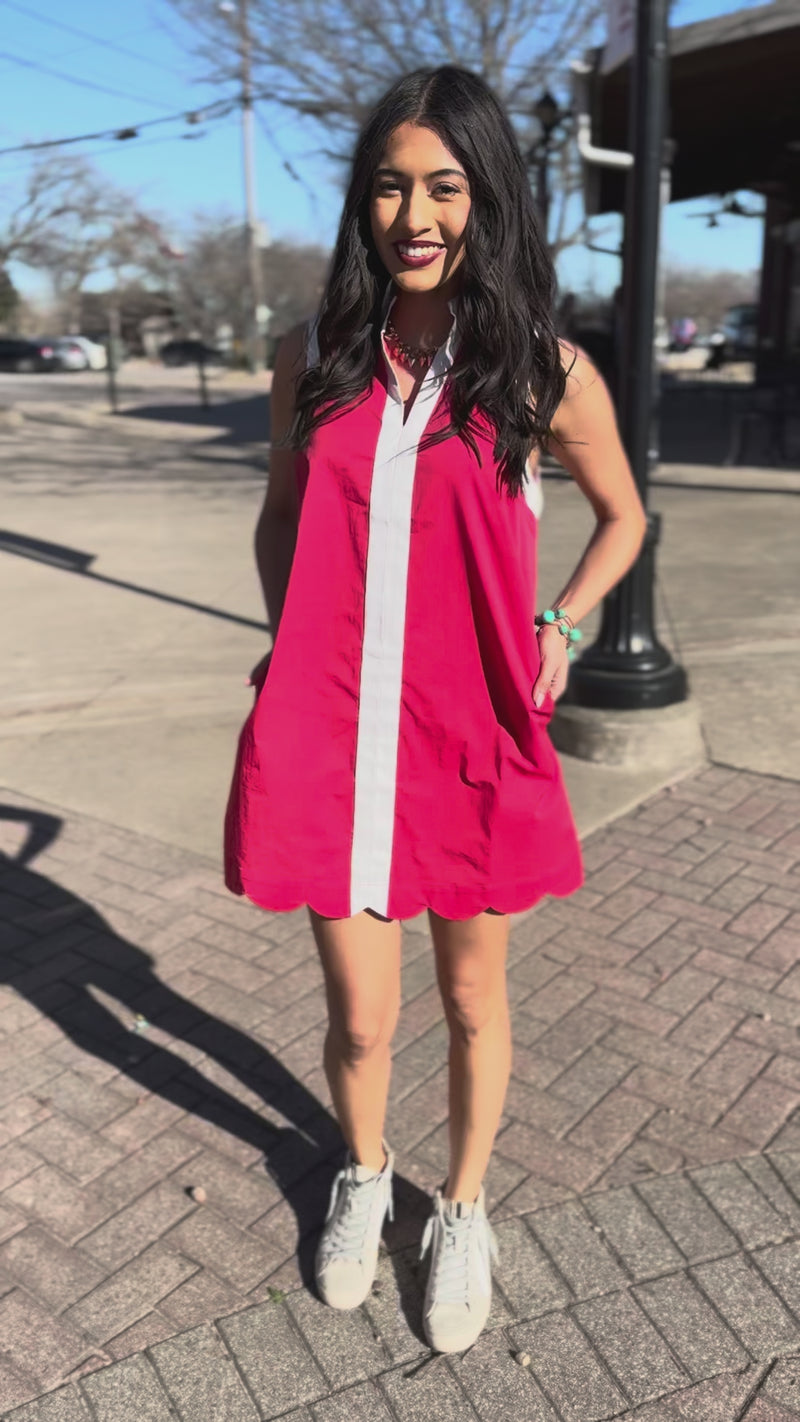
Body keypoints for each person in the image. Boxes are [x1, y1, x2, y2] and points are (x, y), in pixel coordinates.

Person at [224, 66, 646, 1355]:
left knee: (472, 999)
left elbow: (625, 517)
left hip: (471, 734)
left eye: (444, 186)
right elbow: (282, 520)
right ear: (364, 206)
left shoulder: (540, 371)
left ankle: (462, 1205)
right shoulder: (316, 358)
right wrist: (279, 641)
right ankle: (363, 1173)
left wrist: (563, 623)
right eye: (392, 186)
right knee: (360, 1013)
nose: (416, 212)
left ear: (485, 201)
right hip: (332, 726)